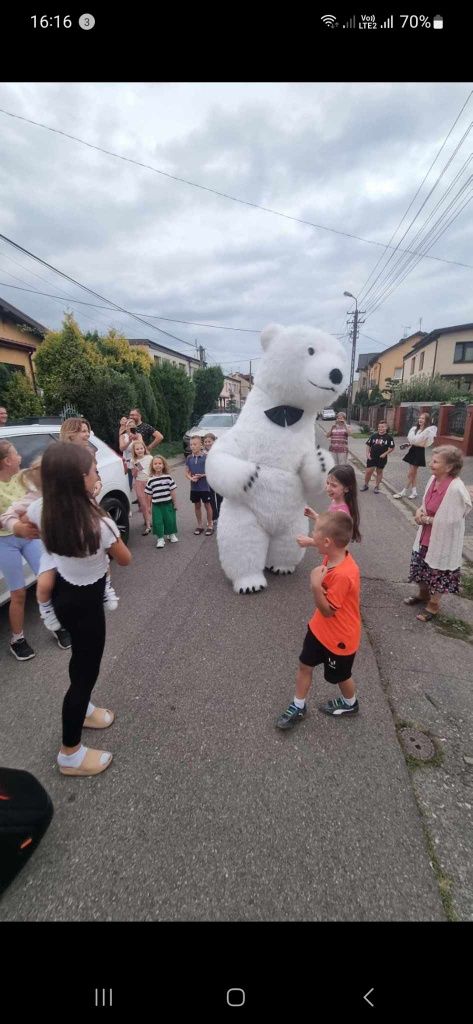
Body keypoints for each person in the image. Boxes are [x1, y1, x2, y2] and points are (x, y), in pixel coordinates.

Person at [25, 443, 132, 777]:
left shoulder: (42, 508)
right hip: (85, 604)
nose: (98, 474)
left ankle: (84, 710)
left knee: (80, 662)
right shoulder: (98, 523)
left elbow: (22, 521)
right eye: (93, 471)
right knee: (86, 673)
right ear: (78, 480)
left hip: (64, 596)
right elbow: (126, 559)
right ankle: (69, 753)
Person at [276, 511, 361, 729]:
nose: (312, 535)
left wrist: (315, 587)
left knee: (341, 676)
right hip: (318, 630)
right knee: (305, 664)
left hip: (340, 638)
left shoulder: (343, 575)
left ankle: (351, 703)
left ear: (327, 541)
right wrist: (313, 536)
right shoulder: (335, 553)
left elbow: (327, 611)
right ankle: (298, 705)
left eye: (315, 533)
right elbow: (326, 541)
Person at [0, 442, 70, 658]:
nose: (20, 456)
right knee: (18, 592)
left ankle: (56, 623)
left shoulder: (23, 478)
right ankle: (17, 638)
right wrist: (16, 520)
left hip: (29, 537)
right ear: (7, 460)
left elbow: (37, 502)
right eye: (16, 453)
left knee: (48, 580)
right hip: (5, 542)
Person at [404, 445, 472, 623]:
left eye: (435, 461)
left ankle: (433, 605)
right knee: (420, 567)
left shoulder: (456, 488)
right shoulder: (432, 479)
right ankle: (422, 595)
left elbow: (452, 519)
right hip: (425, 536)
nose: (431, 463)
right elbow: (426, 504)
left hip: (443, 540)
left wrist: (424, 519)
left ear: (449, 467)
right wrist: (419, 511)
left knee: (437, 572)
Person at [301, 465, 361, 543]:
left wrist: (310, 542)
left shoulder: (341, 513)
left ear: (346, 488)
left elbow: (333, 543)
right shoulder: (335, 501)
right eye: (327, 483)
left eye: (333, 485)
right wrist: (315, 516)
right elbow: (330, 524)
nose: (328, 488)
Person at [394, 413, 437, 500]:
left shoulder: (428, 431)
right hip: (412, 450)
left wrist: (414, 442)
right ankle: (414, 492)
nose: (420, 420)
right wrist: (408, 444)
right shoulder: (415, 429)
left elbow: (421, 442)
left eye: (423, 419)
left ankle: (403, 491)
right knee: (413, 473)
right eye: (420, 418)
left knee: (411, 473)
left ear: (427, 421)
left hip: (419, 452)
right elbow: (414, 441)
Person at [145, 455, 178, 547]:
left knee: (170, 520)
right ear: (152, 466)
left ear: (163, 465)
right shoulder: (150, 480)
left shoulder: (168, 478)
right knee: (157, 522)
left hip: (168, 503)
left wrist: (175, 503)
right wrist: (148, 506)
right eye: (155, 463)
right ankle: (160, 538)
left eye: (160, 463)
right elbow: (149, 495)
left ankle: (171, 534)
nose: (158, 465)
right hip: (156, 505)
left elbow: (173, 491)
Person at [185, 436, 214, 536]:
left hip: (205, 486)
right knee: (197, 506)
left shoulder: (206, 457)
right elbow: (187, 472)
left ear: (200, 445)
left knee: (207, 505)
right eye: (191, 444)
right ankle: (200, 525)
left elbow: (212, 472)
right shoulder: (189, 458)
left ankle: (210, 525)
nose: (192, 446)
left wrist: (203, 475)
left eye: (195, 444)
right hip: (194, 487)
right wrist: (190, 478)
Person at [360, 421, 395, 493]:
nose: (380, 428)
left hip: (382, 458)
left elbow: (392, 448)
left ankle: (377, 486)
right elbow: (368, 445)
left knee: (379, 472)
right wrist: (367, 454)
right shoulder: (373, 436)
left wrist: (385, 454)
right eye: (379, 427)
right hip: (372, 457)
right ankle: (366, 485)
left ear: (386, 428)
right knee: (368, 471)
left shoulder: (389, 438)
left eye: (382, 427)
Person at [130, 438, 152, 535]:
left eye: (141, 448)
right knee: (144, 505)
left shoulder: (150, 458)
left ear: (144, 448)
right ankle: (148, 525)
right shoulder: (133, 460)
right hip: (139, 483)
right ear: (134, 451)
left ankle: (152, 520)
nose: (139, 450)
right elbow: (134, 475)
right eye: (137, 449)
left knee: (149, 505)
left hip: (149, 482)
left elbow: (154, 470)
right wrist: (135, 468)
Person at [203, 433, 223, 522]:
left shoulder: (219, 451)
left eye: (209, 441)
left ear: (214, 441)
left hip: (218, 478)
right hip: (207, 479)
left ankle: (221, 516)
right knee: (210, 498)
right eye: (205, 442)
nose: (207, 443)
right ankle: (214, 516)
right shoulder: (202, 453)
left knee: (220, 498)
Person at [118, 416, 134, 489]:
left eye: (133, 425)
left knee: (142, 477)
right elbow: (121, 448)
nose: (131, 427)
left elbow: (143, 448)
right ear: (126, 427)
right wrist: (129, 442)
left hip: (137, 461)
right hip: (128, 462)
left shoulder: (138, 435)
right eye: (129, 425)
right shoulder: (123, 436)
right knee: (129, 482)